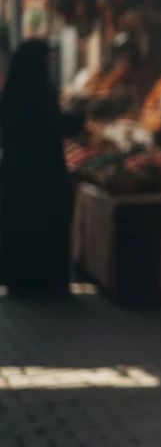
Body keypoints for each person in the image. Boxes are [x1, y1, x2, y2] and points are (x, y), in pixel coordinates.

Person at [0, 40, 84, 298]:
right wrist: (81, 117)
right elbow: (57, 123)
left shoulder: (12, 90)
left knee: (22, 229)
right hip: (42, 175)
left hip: (16, 173)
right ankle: (45, 282)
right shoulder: (38, 89)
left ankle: (21, 279)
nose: (50, 64)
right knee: (44, 227)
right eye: (47, 58)